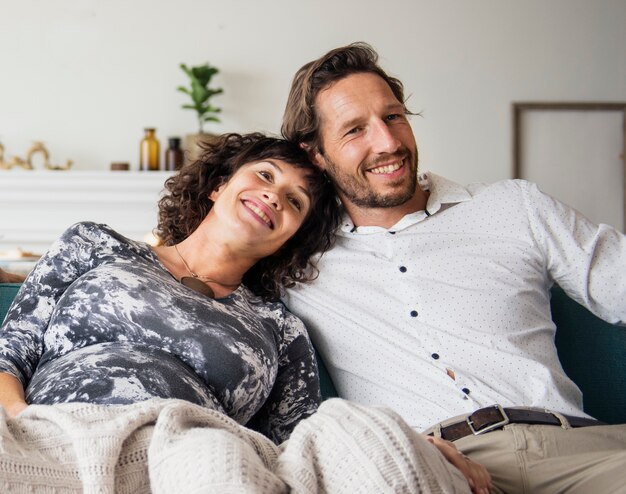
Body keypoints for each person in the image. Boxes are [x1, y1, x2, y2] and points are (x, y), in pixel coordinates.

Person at [0, 132, 488, 493]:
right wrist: (23, 424)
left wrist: (408, 443)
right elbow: (9, 354)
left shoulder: (279, 327)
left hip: (191, 453)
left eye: (294, 201)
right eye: (265, 175)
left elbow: (306, 447)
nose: (274, 194)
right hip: (50, 432)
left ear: (290, 236)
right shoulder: (94, 243)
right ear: (218, 185)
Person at [281, 42, 626, 493]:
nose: (387, 143)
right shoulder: (295, 262)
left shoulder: (513, 207)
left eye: (393, 117)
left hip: (578, 450)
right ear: (316, 156)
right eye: (355, 130)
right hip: (435, 468)